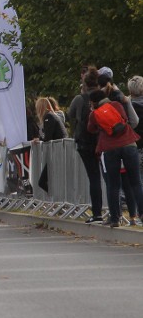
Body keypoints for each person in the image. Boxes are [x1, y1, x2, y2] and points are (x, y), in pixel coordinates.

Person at [87, 90, 142, 227]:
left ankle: (115, 219)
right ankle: (142, 213)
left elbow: (90, 129)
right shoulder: (117, 105)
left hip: (109, 148)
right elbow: (125, 119)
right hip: (129, 143)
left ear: (93, 102)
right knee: (136, 182)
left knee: (113, 185)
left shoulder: (94, 114)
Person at [69, 67, 104, 223]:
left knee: (94, 177)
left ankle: (97, 212)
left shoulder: (79, 99)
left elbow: (70, 116)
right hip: (104, 140)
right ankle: (117, 212)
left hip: (85, 142)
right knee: (112, 178)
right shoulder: (104, 97)